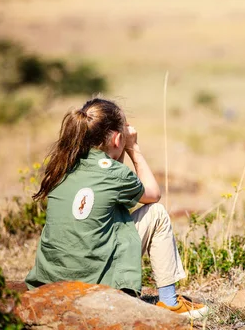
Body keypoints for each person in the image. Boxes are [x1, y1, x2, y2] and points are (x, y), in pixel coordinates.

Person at [25, 97, 208, 319]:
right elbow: (153, 194)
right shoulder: (114, 173)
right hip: (97, 285)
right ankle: (169, 302)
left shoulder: (62, 166)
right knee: (157, 214)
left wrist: (119, 146)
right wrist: (133, 148)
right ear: (117, 137)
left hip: (50, 283)